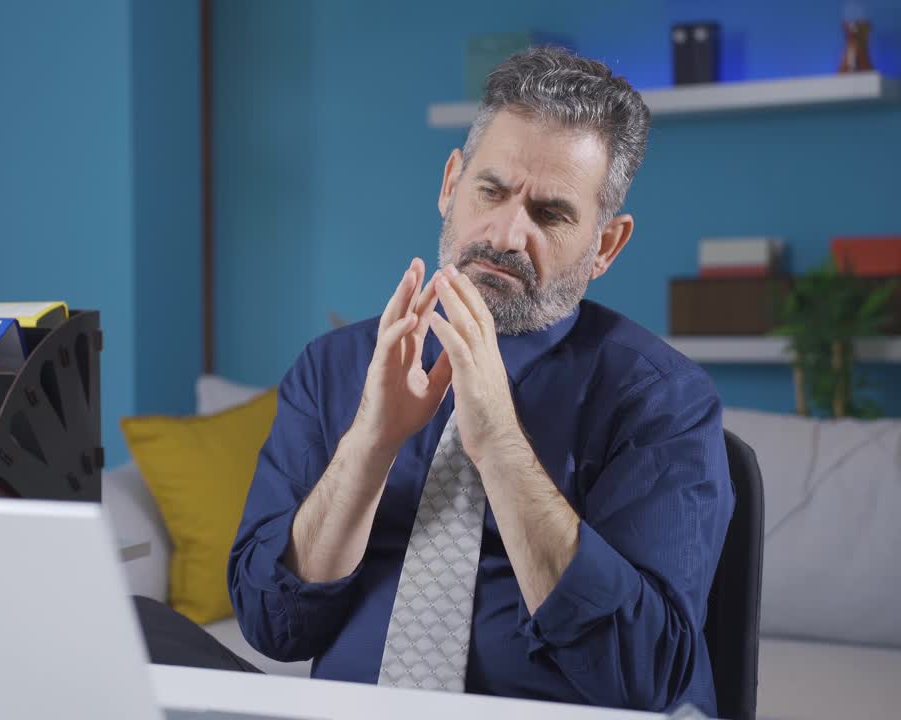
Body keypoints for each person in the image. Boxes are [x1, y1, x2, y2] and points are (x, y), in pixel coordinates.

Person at [224, 46, 735, 715]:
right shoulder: (334, 369)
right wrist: (371, 444)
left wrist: (496, 439)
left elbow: (646, 674)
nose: (507, 233)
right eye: (490, 192)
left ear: (606, 246)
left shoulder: (662, 401)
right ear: (450, 185)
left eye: (550, 214)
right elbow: (272, 626)